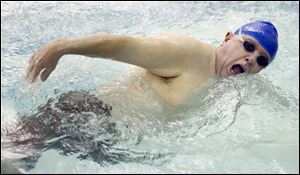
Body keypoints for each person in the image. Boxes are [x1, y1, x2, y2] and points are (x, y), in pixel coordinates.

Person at [26, 20, 278, 107]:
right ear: (226, 38)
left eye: (261, 60)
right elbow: (127, 46)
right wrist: (62, 47)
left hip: (116, 145)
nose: (251, 58)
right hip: (89, 117)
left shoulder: (223, 84)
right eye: (248, 45)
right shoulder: (191, 54)